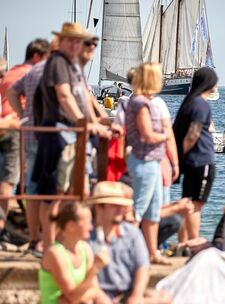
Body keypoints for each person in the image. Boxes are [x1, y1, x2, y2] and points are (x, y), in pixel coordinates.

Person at [32, 22, 108, 251]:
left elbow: (84, 97)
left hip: (73, 135)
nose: (76, 44)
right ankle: (48, 246)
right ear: (62, 41)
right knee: (54, 194)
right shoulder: (57, 63)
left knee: (73, 192)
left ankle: (65, 243)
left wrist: (98, 122)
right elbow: (64, 97)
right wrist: (84, 124)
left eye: (79, 40)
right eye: (72, 40)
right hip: (59, 134)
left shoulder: (73, 66)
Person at [89, 181, 171, 303]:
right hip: (95, 294)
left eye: (122, 206)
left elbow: (142, 267)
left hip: (126, 293)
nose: (120, 210)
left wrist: (136, 295)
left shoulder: (132, 233)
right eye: (115, 205)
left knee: (164, 297)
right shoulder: (86, 235)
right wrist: (99, 297)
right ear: (99, 207)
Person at [7, 38, 51, 255]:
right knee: (20, 181)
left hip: (14, 127)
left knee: (23, 183)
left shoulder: (14, 72)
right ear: (36, 56)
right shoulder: (34, 72)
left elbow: (9, 93)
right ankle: (42, 237)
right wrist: (23, 116)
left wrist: (23, 115)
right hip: (18, 129)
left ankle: (30, 235)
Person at [125, 62, 169, 264]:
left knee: (153, 212)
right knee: (138, 211)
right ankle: (124, 253)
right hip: (144, 161)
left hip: (151, 161)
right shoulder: (141, 103)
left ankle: (152, 253)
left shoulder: (141, 101)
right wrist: (165, 135)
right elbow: (147, 135)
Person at [172, 68, 218, 242]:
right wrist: (182, 154)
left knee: (187, 203)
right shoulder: (201, 104)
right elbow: (193, 134)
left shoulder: (189, 101)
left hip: (191, 161)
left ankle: (182, 243)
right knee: (196, 204)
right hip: (201, 160)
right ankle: (193, 242)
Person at [38, 201, 109, 304]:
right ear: (71, 226)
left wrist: (78, 298)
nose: (91, 227)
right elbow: (73, 296)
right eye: (87, 223)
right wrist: (95, 268)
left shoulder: (85, 249)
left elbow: (95, 290)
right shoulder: (55, 254)